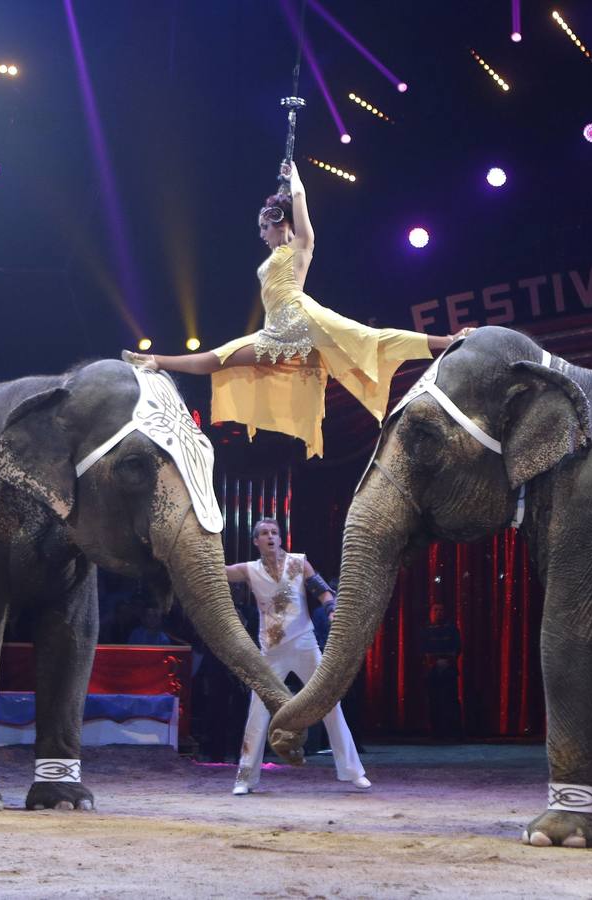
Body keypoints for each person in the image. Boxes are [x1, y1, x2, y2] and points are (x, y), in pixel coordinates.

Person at [126, 161, 472, 458]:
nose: (261, 234)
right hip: (276, 333)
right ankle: (157, 362)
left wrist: (293, 179)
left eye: (265, 227)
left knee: (371, 338)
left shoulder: (301, 245)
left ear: (280, 222)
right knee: (220, 358)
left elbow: (301, 200)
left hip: (303, 318)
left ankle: (448, 340)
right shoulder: (275, 254)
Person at [225, 518, 370, 794]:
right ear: (256, 541)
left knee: (329, 703)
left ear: (281, 538)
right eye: (265, 534)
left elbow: (322, 590)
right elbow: (220, 572)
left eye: (274, 532)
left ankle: (353, 771)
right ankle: (245, 778)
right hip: (270, 651)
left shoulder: (298, 562)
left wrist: (331, 609)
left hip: (304, 644)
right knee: (257, 711)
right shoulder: (250, 569)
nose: (270, 537)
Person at [422, 602, 463, 741]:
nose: (438, 612)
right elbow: (422, 648)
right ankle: (436, 732)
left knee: (450, 701)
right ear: (431, 612)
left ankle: (452, 732)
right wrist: (433, 662)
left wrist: (447, 661)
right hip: (432, 671)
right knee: (434, 701)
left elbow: (457, 647)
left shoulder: (451, 629)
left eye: (441, 610)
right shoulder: (426, 630)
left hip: (448, 670)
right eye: (436, 610)